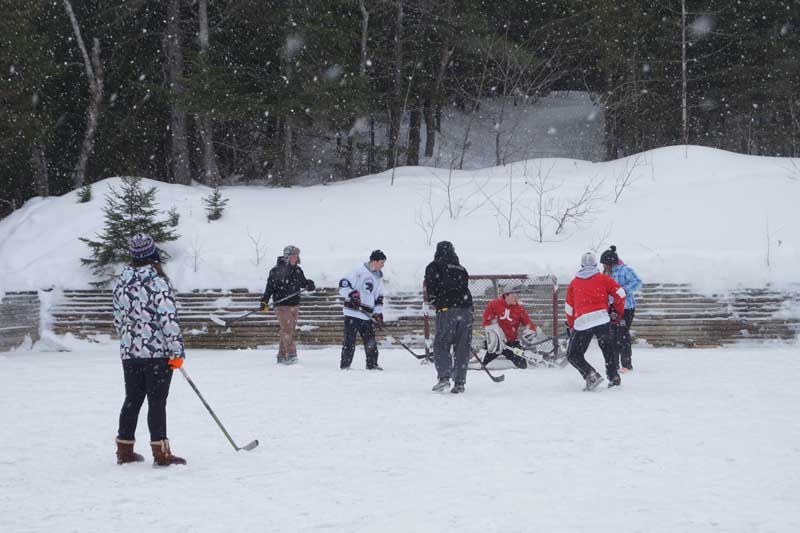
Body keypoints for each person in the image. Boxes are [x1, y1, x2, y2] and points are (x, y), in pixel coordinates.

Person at [112, 233, 186, 466]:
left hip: (131, 353)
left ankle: (124, 450)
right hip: (157, 353)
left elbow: (118, 319)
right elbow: (167, 319)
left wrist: (129, 341)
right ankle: (161, 453)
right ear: (153, 253)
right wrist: (176, 351)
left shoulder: (122, 282)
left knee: (132, 399)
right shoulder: (157, 281)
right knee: (156, 402)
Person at [564, 251, 626, 390]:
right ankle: (614, 377)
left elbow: (569, 308)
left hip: (583, 321)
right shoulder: (603, 279)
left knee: (573, 355)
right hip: (602, 319)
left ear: (581, 265)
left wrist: (572, 326)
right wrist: (617, 312)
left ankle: (590, 375)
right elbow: (621, 294)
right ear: (595, 264)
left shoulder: (574, 283)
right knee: (607, 349)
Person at [424, 241, 473, 394]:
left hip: (447, 309)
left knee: (441, 343)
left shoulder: (434, 266)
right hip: (466, 309)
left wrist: (436, 301)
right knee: (462, 346)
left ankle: (444, 378)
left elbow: (430, 288)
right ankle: (460, 382)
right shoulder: (461, 268)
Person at [260, 245, 316, 365]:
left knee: (288, 331)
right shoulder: (276, 271)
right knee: (287, 330)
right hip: (281, 305)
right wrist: (264, 301)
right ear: (287, 256)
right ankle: (291, 355)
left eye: (297, 256)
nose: (296, 258)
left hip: (295, 305)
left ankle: (281, 355)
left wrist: (309, 284)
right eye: (293, 256)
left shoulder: (298, 270)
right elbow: (269, 287)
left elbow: (303, 283)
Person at [338, 250, 386, 370]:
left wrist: (378, 314)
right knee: (349, 341)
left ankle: (372, 364)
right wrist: (352, 294)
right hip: (352, 313)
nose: (383, 265)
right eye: (382, 262)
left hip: (367, 315)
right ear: (374, 261)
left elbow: (379, 297)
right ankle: (345, 365)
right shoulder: (358, 271)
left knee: (370, 341)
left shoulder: (378, 277)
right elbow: (343, 285)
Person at [600, 245, 642, 372]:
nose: (603, 267)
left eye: (605, 264)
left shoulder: (624, 270)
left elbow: (638, 282)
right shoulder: (606, 273)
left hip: (626, 308)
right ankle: (614, 364)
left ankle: (626, 364)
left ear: (610, 263)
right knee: (612, 336)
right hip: (612, 308)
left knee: (622, 335)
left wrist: (623, 290)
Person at [481, 284, 538, 369]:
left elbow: (528, 323)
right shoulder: (493, 305)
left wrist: (531, 331)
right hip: (495, 342)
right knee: (482, 365)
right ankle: (481, 364)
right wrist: (497, 332)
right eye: (514, 296)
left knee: (523, 366)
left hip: (511, 344)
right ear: (506, 295)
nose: (516, 298)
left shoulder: (519, 309)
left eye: (517, 296)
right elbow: (487, 321)